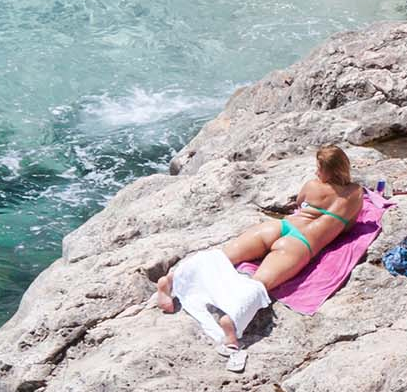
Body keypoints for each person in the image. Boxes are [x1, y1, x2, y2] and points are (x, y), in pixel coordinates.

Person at [155, 145, 364, 356]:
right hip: (300, 244)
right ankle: (231, 322)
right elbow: (349, 226)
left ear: (329, 170)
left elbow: (299, 203)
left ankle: (171, 280)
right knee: (259, 283)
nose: (316, 172)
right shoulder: (355, 193)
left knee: (223, 256)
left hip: (279, 227)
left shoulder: (311, 186)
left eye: (319, 168)